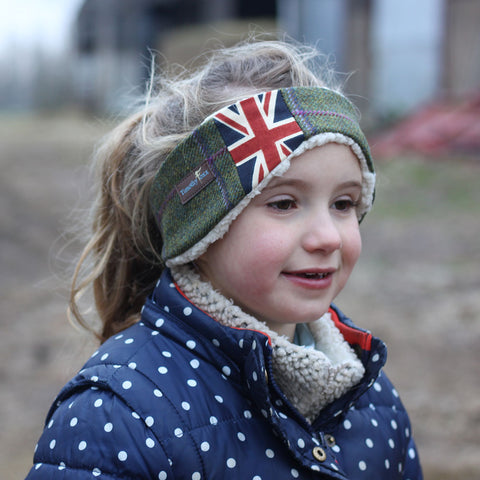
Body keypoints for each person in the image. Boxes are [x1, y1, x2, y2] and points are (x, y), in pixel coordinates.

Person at [26, 39, 423, 479]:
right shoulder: (120, 417)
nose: (328, 237)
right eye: (284, 203)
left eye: (344, 203)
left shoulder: (372, 398)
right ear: (199, 228)